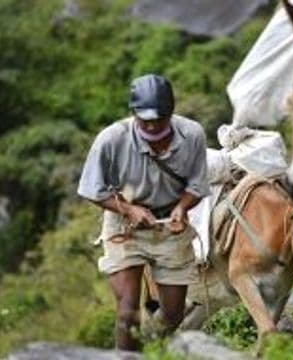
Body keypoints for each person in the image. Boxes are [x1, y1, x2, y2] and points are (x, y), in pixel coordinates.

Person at [77, 74, 210, 350]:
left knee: (173, 314)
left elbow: (197, 185)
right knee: (128, 310)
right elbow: (91, 188)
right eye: (144, 119)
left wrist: (182, 208)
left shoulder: (192, 134)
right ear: (133, 113)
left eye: (158, 119)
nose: (151, 125)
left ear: (171, 113)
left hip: (168, 226)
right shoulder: (112, 139)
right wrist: (128, 209)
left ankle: (145, 347)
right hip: (125, 226)